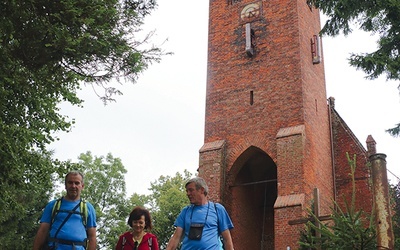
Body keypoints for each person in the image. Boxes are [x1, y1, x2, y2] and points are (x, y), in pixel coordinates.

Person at [33, 171, 97, 250]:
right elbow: (42, 231)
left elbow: (92, 237)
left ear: (82, 186)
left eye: (77, 183)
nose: (73, 186)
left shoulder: (88, 208)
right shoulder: (52, 205)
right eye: (70, 183)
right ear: (65, 185)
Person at [166, 177, 234, 250]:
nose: (188, 194)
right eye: (187, 191)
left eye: (191, 190)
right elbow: (176, 237)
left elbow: (227, 239)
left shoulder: (217, 209)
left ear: (202, 190)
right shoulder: (185, 211)